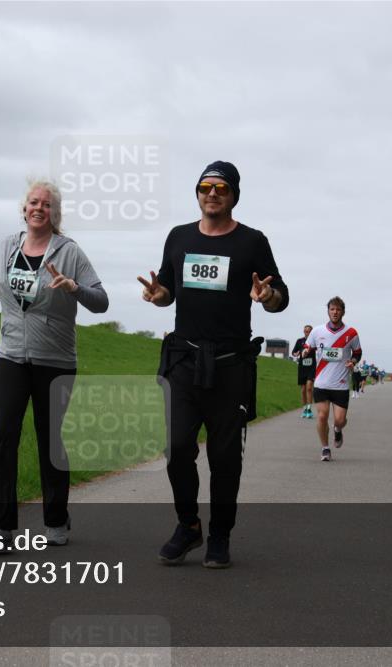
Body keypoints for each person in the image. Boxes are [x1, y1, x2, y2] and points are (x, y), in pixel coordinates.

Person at [138, 160, 289, 568]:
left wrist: (267, 296)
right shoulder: (178, 237)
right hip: (184, 360)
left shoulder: (252, 242)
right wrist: (159, 295)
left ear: (234, 195)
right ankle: (188, 526)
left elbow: (280, 297)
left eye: (221, 188)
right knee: (178, 448)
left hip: (229, 364)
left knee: (224, 457)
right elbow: (168, 288)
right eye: (205, 186)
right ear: (198, 193)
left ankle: (220, 534)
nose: (212, 193)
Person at [0, 178, 109, 548]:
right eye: (33, 202)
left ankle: (56, 520)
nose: (38, 208)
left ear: (55, 213)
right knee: (3, 434)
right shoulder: (7, 247)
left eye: (46, 204)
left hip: (55, 360)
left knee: (49, 440)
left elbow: (101, 300)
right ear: (24, 209)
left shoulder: (70, 253)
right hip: (10, 354)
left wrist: (75, 288)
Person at [301, 297, 362, 462]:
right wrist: (305, 351)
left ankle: (337, 430)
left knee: (340, 420)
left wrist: (353, 361)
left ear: (343, 312)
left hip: (340, 384)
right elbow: (308, 346)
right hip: (321, 382)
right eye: (332, 309)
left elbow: (357, 353)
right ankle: (325, 448)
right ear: (328, 311)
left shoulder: (351, 333)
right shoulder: (317, 331)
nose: (335, 312)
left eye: (338, 310)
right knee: (321, 416)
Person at [292, 325, 315, 418]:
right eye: (306, 331)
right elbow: (293, 352)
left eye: (309, 331)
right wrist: (296, 353)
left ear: (312, 332)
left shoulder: (314, 342)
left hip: (311, 368)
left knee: (309, 388)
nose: (307, 333)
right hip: (302, 368)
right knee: (303, 390)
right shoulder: (299, 341)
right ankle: (305, 409)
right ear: (303, 332)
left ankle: (309, 409)